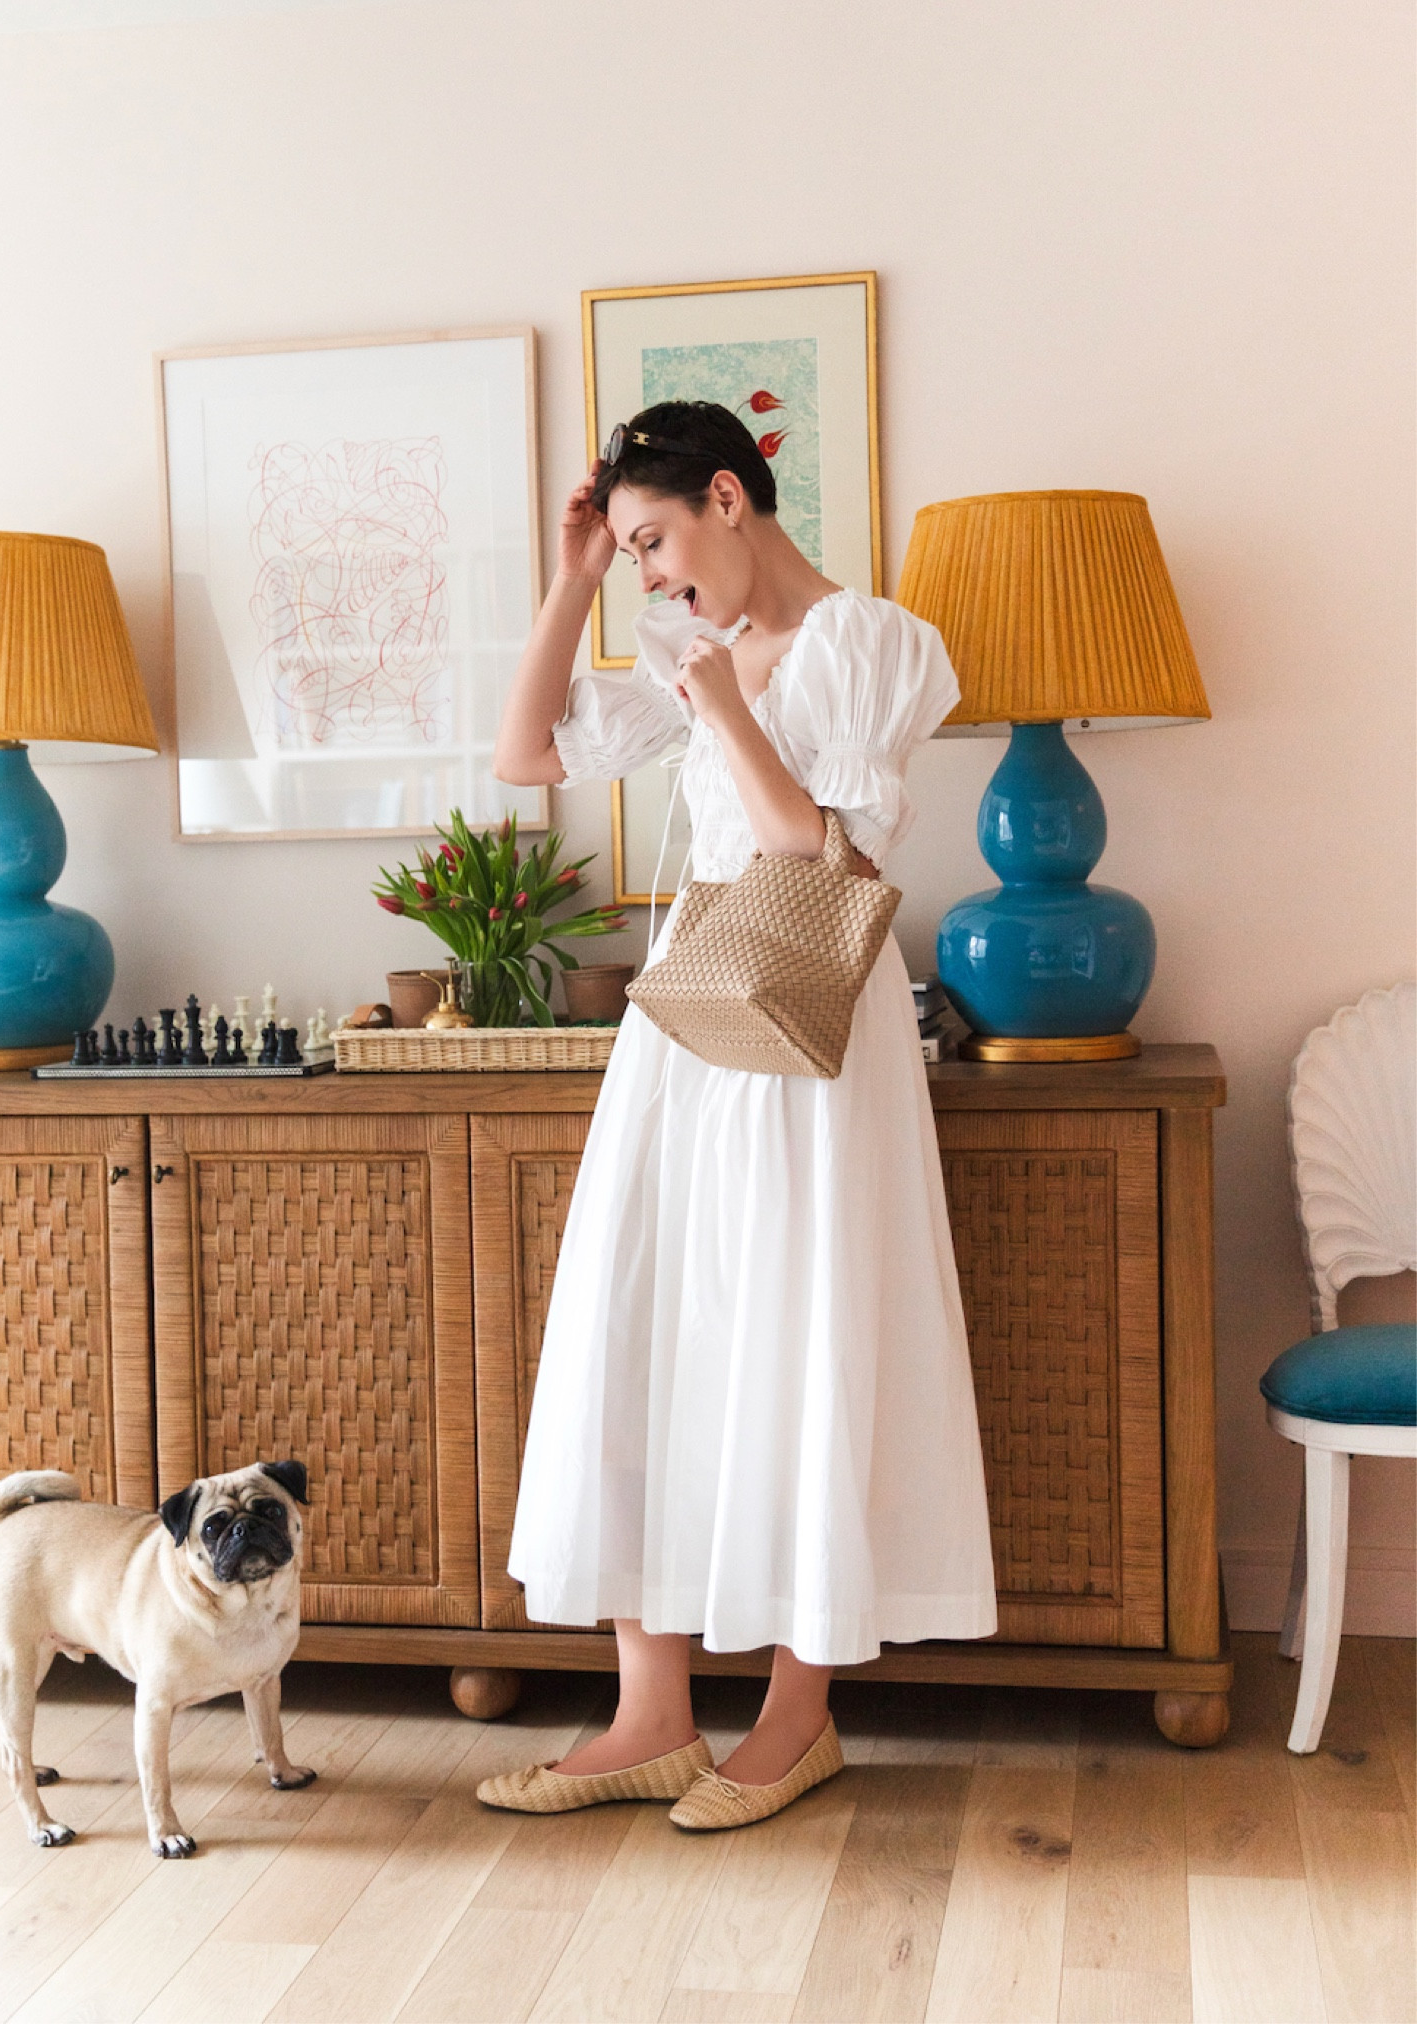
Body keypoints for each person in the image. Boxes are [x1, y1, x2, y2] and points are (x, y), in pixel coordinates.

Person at [483, 401, 996, 1831]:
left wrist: (721, 705)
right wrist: (575, 575)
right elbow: (525, 757)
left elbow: (821, 848)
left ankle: (792, 1715)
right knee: (642, 1327)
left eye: (653, 541)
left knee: (797, 1332)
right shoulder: (677, 642)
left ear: (728, 496)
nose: (653, 573)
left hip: (809, 1027)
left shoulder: (875, 642)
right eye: (631, 552)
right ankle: (647, 1715)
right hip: (684, 1031)